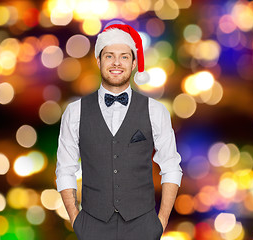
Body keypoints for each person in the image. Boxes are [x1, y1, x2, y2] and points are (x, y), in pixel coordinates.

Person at [56, 23, 183, 240]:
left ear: (134, 63)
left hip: (143, 226)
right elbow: (65, 169)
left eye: (124, 56)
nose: (116, 62)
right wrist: (76, 220)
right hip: (92, 226)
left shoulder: (155, 110)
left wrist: (159, 223)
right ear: (98, 60)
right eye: (109, 56)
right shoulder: (75, 111)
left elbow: (171, 167)